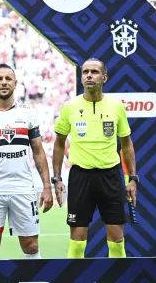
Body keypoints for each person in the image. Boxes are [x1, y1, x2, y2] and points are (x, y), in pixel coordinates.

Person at [0, 63, 54, 260]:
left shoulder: (28, 113)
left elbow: (38, 152)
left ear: (15, 83)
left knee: (31, 246)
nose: (4, 82)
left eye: (8, 79)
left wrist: (47, 187)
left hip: (23, 188)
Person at [51, 58, 138, 258]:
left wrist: (132, 178)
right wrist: (57, 178)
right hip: (80, 177)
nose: (89, 75)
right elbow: (58, 143)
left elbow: (126, 144)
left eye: (94, 72)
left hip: (111, 176)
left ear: (104, 77)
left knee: (117, 239)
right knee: (77, 239)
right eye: (85, 72)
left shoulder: (116, 107)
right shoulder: (69, 107)